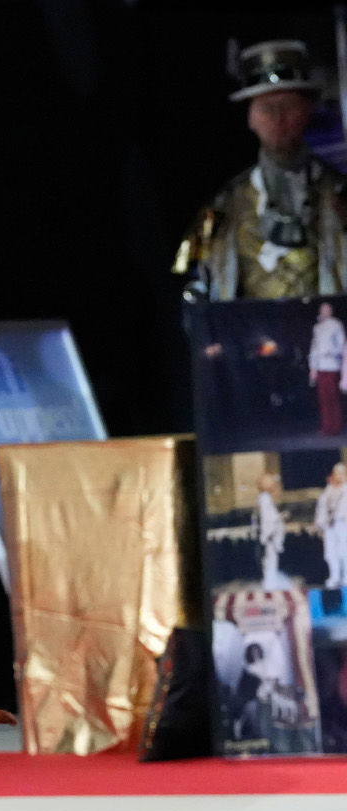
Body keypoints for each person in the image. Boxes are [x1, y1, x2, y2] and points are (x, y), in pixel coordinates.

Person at [174, 39, 347, 301]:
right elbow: (187, 271)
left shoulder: (341, 193)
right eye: (267, 108)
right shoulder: (221, 204)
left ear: (307, 110)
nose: (278, 119)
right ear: (250, 118)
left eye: (288, 106)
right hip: (253, 338)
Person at [309, 302, 347, 434]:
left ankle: (336, 427)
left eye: (327, 309)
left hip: (332, 366)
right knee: (323, 398)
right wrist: (313, 368)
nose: (324, 312)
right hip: (320, 367)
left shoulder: (336, 325)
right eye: (322, 309)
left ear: (331, 311)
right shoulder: (317, 327)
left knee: (333, 397)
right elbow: (314, 348)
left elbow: (342, 345)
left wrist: (332, 352)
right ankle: (326, 427)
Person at [256, 472, 289, 591]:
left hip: (270, 536)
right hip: (269, 536)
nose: (273, 485)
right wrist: (281, 516)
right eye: (270, 482)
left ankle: (271, 582)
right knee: (270, 562)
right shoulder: (264, 499)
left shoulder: (266, 498)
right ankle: (270, 584)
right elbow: (268, 519)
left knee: (271, 561)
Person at [316, 462, 347, 587]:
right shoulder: (327, 491)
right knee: (331, 552)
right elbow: (321, 508)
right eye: (337, 473)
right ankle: (334, 576)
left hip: (343, 524)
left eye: (342, 473)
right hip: (329, 526)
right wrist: (322, 523)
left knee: (344, 551)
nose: (339, 476)